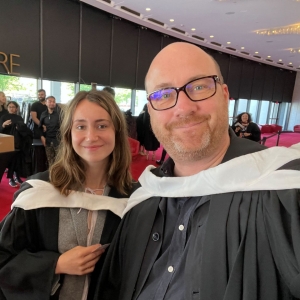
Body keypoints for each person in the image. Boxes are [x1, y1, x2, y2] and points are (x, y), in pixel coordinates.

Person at [95, 42, 300, 300]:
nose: (183, 108)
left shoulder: (284, 189)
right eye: (163, 95)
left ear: (224, 95)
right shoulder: (142, 199)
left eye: (199, 87)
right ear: (150, 111)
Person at [0, 90, 133, 299]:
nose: (91, 136)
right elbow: (4, 260)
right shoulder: (39, 191)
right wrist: (55, 265)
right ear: (69, 134)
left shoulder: (133, 199)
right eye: (80, 126)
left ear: (117, 130)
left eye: (102, 125)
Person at [0, 101, 29, 187]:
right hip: (8, 143)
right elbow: (0, 131)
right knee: (10, 161)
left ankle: (17, 176)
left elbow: (24, 129)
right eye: (10, 107)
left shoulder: (19, 117)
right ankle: (11, 179)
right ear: (7, 108)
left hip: (18, 142)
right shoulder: (4, 117)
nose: (12, 108)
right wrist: (3, 125)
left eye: (13, 107)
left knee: (18, 160)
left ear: (16, 108)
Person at [39, 96, 61, 166]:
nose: (52, 103)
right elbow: (39, 127)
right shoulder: (43, 114)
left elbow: (63, 126)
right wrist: (42, 136)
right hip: (48, 140)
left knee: (59, 160)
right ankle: (51, 175)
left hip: (58, 140)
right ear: (46, 103)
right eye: (50, 101)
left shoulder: (59, 113)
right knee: (50, 160)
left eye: (53, 101)